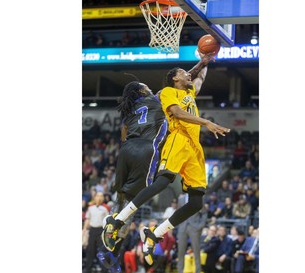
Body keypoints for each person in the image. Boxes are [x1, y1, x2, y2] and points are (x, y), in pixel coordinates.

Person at [102, 52, 231, 266]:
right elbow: (178, 113)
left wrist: (205, 60)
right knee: (163, 181)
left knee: (197, 202)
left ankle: (155, 234)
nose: (188, 75)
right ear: (174, 78)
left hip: (194, 147)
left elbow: (198, 77)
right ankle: (117, 220)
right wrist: (206, 122)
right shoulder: (168, 93)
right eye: (183, 73)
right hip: (177, 140)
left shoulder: (189, 92)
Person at [98, 80, 168, 272]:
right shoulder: (156, 98)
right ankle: (110, 252)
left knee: (120, 196)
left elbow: (123, 134)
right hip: (144, 150)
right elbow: (182, 79)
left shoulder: (130, 108)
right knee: (132, 202)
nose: (150, 86)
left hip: (127, 149)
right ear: (142, 90)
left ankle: (109, 249)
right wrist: (201, 63)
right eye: (147, 85)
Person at [82, 192, 110, 273]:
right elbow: (87, 219)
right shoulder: (90, 208)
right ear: (95, 198)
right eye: (98, 196)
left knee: (102, 251)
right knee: (90, 251)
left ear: (103, 198)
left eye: (101, 196)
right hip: (92, 230)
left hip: (101, 231)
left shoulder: (106, 208)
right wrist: (84, 229)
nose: (99, 198)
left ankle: (104, 270)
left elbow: (107, 222)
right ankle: (88, 269)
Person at [176, 203, 208, 273]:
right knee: (180, 252)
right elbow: (178, 213)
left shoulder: (197, 198)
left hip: (194, 228)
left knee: (196, 251)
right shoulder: (181, 199)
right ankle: (180, 271)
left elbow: (204, 213)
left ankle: (197, 271)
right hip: (182, 228)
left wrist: (201, 225)